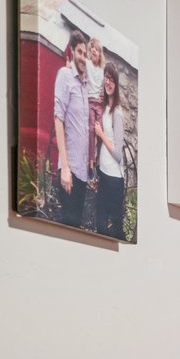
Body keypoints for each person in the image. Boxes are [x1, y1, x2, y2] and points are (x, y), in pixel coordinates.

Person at [49, 31, 94, 229]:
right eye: (80, 52)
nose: (83, 57)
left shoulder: (84, 87)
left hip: (82, 174)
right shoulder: (65, 75)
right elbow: (58, 119)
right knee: (67, 226)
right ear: (72, 52)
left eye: (86, 54)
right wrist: (65, 168)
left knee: (76, 228)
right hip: (70, 170)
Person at [91, 64, 127, 240]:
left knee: (116, 228)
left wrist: (101, 135)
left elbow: (118, 154)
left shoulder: (117, 114)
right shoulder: (103, 109)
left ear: (116, 84)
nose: (108, 82)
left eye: (112, 79)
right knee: (100, 224)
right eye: (106, 78)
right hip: (103, 174)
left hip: (114, 178)